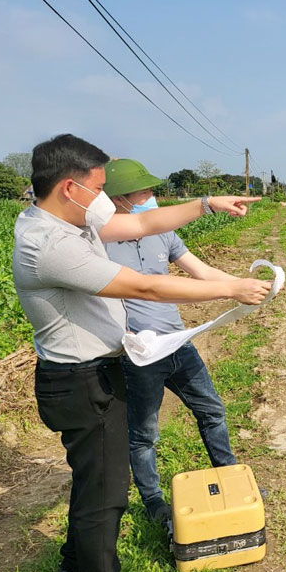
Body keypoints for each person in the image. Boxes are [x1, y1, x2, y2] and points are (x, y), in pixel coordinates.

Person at [12, 134, 272, 572]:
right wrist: (230, 288)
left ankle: (73, 565)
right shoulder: (50, 245)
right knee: (108, 494)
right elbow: (148, 287)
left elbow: (146, 221)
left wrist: (205, 203)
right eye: (99, 188)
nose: (105, 200)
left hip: (92, 374)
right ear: (71, 189)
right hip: (81, 380)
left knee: (94, 482)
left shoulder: (65, 222)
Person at [101, 158, 251, 529]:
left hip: (177, 342)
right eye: (145, 192)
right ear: (119, 199)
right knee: (144, 432)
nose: (152, 198)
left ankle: (229, 475)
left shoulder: (163, 234)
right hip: (138, 352)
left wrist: (244, 287)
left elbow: (202, 272)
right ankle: (153, 501)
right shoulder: (98, 242)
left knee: (212, 410)